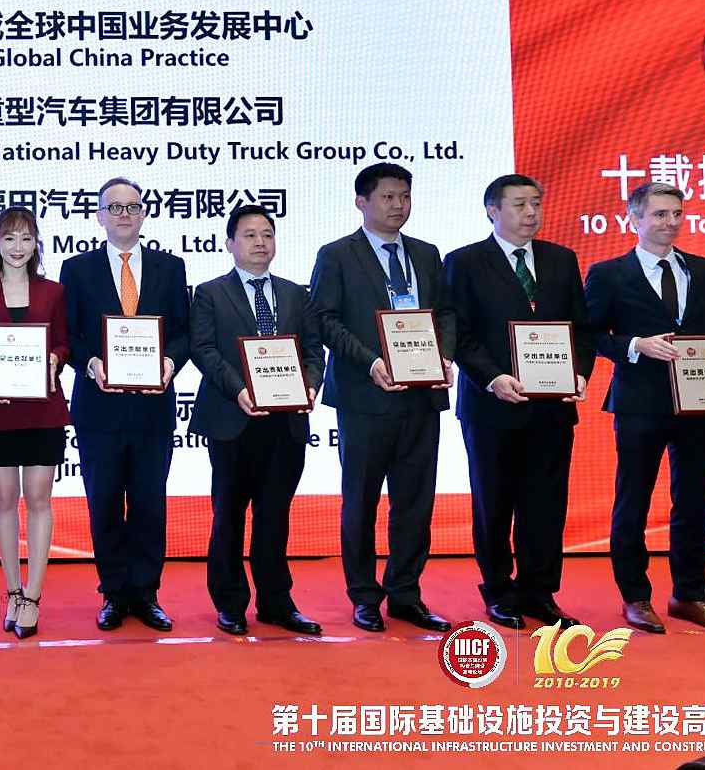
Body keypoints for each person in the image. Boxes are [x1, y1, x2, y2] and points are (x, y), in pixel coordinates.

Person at [585, 182, 705, 634]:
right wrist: (635, 345)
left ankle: (689, 595)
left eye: (676, 213)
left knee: (694, 502)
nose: (671, 222)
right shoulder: (609, 273)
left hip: (701, 405)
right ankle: (635, 596)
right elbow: (589, 334)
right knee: (633, 501)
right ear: (634, 219)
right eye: (659, 214)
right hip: (640, 404)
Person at [309, 163, 455, 634]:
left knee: (415, 501)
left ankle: (406, 594)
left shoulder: (427, 254)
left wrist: (444, 355)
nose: (398, 206)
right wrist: (371, 361)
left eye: (404, 197)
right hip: (365, 396)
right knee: (361, 501)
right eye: (388, 197)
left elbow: (445, 313)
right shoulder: (337, 255)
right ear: (362, 202)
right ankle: (364, 596)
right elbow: (324, 320)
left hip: (421, 397)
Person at [444, 175, 594, 631]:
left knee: (546, 501)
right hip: (492, 405)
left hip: (551, 406)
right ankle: (497, 589)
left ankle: (539, 590)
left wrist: (579, 372)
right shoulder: (465, 262)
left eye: (536, 203)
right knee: (494, 501)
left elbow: (581, 327)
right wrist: (492, 378)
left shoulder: (561, 259)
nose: (531, 213)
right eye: (519, 204)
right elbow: (458, 332)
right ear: (492, 210)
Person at [60, 177, 190, 631]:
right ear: (100, 215)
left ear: (144, 214)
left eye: (132, 207)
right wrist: (90, 362)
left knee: (151, 503)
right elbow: (68, 334)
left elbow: (184, 332)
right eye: (114, 207)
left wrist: (170, 362)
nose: (124, 215)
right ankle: (115, 593)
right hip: (100, 409)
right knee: (105, 502)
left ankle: (147, 593)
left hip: (154, 407)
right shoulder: (77, 269)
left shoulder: (171, 267)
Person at [187, 204, 324, 636]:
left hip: (286, 423)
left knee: (275, 516)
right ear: (230, 244)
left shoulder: (295, 293)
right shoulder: (210, 293)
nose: (260, 242)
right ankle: (230, 603)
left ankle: (276, 602)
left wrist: (310, 385)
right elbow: (203, 350)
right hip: (233, 419)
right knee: (229, 515)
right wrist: (239, 390)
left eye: (267, 234)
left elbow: (313, 350)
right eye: (249, 235)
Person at [0, 207, 69, 639]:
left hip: (43, 408)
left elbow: (64, 342)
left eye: (26, 238)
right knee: (5, 500)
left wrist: (55, 359)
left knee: (39, 499)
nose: (18, 247)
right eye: (9, 238)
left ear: (36, 243)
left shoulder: (53, 291)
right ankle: (12, 591)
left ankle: (33, 596)